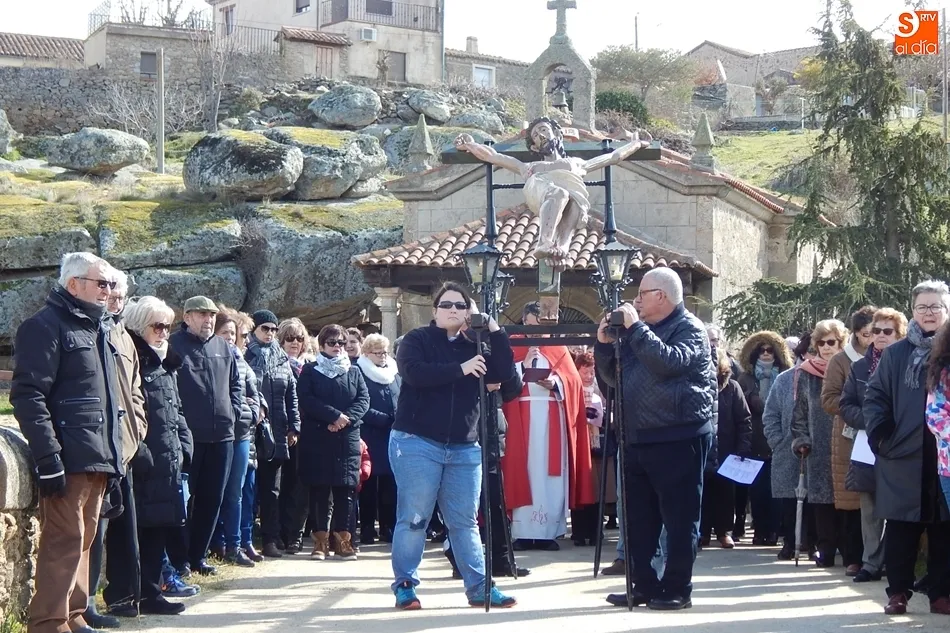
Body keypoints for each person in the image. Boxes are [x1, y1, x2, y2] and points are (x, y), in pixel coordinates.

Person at [11, 252, 123, 633]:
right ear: (74, 284)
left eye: (111, 285)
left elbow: (108, 402)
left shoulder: (99, 328)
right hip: (68, 456)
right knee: (65, 540)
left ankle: (73, 615)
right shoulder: (43, 326)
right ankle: (48, 623)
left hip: (97, 456)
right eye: (101, 283)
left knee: (85, 539)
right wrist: (49, 457)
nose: (108, 292)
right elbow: (28, 395)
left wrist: (115, 461)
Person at [390, 282, 516, 610]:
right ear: (434, 311)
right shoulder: (416, 340)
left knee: (464, 522)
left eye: (461, 306)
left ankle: (480, 587)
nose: (454, 310)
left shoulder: (477, 345)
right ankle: (405, 584)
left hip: (464, 446)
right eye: (447, 305)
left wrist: (495, 331)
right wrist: (461, 369)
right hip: (417, 442)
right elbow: (414, 373)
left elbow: (507, 378)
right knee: (415, 517)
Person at [595, 268, 715, 611]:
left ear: (661, 295)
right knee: (638, 521)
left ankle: (677, 588)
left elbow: (668, 362)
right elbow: (612, 378)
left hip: (679, 436)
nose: (636, 301)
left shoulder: (689, 327)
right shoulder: (640, 333)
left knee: (679, 520)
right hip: (637, 436)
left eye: (642, 294)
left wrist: (635, 329)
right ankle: (643, 586)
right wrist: (604, 345)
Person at [455, 119, 652, 266]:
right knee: (558, 194)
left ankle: (561, 249)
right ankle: (544, 242)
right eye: (535, 135)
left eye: (543, 130)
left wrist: (636, 143)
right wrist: (470, 145)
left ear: (557, 135)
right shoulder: (529, 166)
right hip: (542, 191)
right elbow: (493, 156)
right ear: (534, 146)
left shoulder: (576, 163)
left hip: (569, 192)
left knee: (574, 202)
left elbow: (614, 156)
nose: (540, 135)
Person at [867, 280, 950, 615]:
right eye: (922, 307)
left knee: (944, 528)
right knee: (902, 526)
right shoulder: (897, 353)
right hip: (903, 452)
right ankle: (898, 590)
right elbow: (876, 396)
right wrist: (880, 435)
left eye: (936, 307)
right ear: (912, 311)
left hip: (943, 454)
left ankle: (941, 592)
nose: (929, 313)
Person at [503, 301, 595, 551]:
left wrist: (556, 383)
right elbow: (502, 379)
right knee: (525, 471)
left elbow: (573, 381)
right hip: (521, 416)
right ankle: (522, 532)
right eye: (530, 326)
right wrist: (521, 365)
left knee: (548, 473)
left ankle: (547, 533)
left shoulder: (558, 348)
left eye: (539, 327)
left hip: (551, 416)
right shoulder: (513, 345)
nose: (534, 332)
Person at [123, 296, 194, 615]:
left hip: (168, 457)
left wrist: (185, 444)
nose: (165, 332)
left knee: (158, 528)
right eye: (158, 325)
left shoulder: (166, 362)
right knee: (139, 531)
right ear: (140, 327)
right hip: (145, 459)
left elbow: (175, 409)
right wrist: (141, 451)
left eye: (168, 325)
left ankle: (151, 594)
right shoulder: (134, 359)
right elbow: (128, 409)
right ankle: (133, 595)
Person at [87, 267, 149, 624]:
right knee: (94, 532)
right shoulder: (95, 331)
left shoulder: (123, 335)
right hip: (99, 447)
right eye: (111, 293)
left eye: (122, 296)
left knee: (120, 528)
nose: (115, 300)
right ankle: (88, 604)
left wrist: (138, 428)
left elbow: (135, 389)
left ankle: (124, 597)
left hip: (124, 446)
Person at [169, 296, 243, 577]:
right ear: (187, 317)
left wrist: (233, 413)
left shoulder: (223, 346)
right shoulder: (174, 346)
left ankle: (198, 556)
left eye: (211, 315)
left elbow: (236, 384)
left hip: (222, 436)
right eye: (202, 314)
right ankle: (180, 560)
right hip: (189, 437)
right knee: (184, 500)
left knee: (212, 499)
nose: (208, 320)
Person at [840, 307, 908, 583]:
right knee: (869, 507)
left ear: (900, 334)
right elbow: (845, 404)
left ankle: (897, 565)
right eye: (875, 331)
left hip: (903, 444)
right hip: (867, 445)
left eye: (886, 331)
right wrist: (871, 421)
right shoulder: (858, 368)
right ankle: (871, 563)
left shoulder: (910, 363)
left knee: (901, 509)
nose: (880, 336)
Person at [297, 324, 370, 561]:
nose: (338, 347)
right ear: (321, 345)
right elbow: (307, 399)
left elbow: (364, 399)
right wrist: (332, 417)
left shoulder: (354, 371)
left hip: (346, 438)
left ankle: (344, 541)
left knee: (346, 491)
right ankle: (320, 541)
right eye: (332, 343)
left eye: (341, 343)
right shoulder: (310, 371)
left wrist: (345, 420)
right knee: (319, 490)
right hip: (318, 436)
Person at [819, 306, 876, 576]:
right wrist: (856, 408)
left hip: (882, 436)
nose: (873, 338)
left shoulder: (888, 356)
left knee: (879, 497)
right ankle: (853, 556)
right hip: (849, 435)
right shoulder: (841, 361)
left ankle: (878, 557)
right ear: (855, 334)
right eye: (867, 334)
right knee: (852, 496)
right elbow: (828, 399)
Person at [791, 319, 848, 568]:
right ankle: (825, 550)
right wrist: (802, 439)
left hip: (846, 443)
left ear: (841, 342)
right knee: (822, 502)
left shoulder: (851, 367)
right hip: (818, 446)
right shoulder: (806, 373)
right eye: (821, 342)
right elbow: (800, 412)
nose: (826, 347)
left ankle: (849, 551)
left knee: (846, 501)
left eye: (831, 342)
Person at [245, 311, 300, 558]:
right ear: (254, 329)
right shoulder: (245, 354)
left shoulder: (281, 359)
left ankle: (270, 538)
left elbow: (292, 396)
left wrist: (294, 426)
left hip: (276, 430)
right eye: (265, 328)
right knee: (247, 488)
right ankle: (244, 538)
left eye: (274, 329)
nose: (270, 333)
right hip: (249, 430)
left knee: (272, 490)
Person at [210, 308, 260, 567]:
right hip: (219, 432)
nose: (230, 337)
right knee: (217, 491)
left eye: (233, 333)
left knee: (236, 492)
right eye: (225, 332)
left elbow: (251, 391)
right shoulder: (211, 356)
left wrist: (253, 411)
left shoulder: (240, 358)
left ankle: (235, 543)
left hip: (242, 432)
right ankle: (216, 541)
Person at [763, 333, 817, 560]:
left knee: (815, 500)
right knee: (789, 498)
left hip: (818, 450)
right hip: (787, 448)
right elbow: (771, 413)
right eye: (811, 351)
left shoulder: (830, 377)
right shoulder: (785, 379)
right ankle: (790, 542)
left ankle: (813, 542)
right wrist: (777, 441)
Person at [737, 330, 793, 546]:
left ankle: (775, 531)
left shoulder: (786, 376)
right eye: (761, 350)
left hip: (781, 439)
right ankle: (760, 530)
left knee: (777, 490)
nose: (766, 354)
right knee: (758, 491)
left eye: (770, 350)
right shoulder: (746, 378)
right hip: (755, 440)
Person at [701, 348, 752, 549]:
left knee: (725, 492)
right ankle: (703, 532)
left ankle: (724, 532)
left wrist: (743, 448)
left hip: (726, 449)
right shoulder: (697, 384)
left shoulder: (732, 388)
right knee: (702, 492)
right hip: (703, 448)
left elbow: (744, 420)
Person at [356, 333, 400, 545]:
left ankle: (388, 526)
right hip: (370, 435)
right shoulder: (359, 372)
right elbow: (360, 404)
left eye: (385, 352)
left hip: (393, 436)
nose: (383, 356)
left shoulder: (394, 373)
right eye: (378, 352)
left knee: (390, 484)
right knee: (369, 483)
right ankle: (366, 527)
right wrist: (385, 420)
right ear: (366, 353)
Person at [570, 351, 611, 548]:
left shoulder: (599, 391)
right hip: (577, 444)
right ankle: (578, 532)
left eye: (591, 372)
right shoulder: (571, 391)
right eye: (584, 372)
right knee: (579, 488)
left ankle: (595, 531)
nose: (588, 376)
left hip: (596, 446)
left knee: (596, 490)